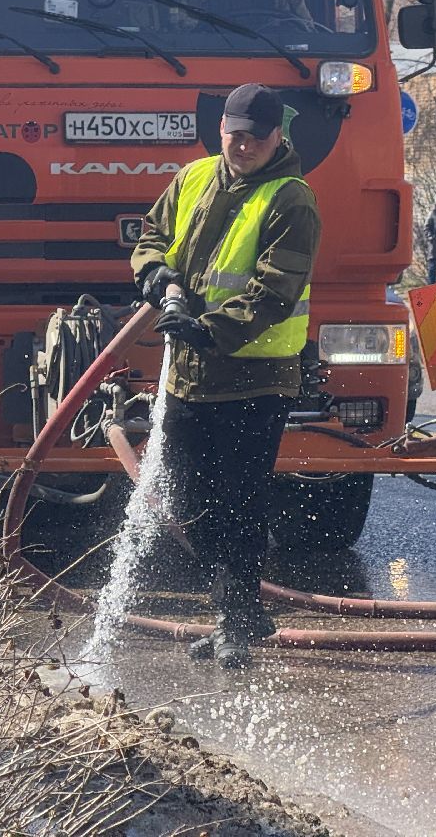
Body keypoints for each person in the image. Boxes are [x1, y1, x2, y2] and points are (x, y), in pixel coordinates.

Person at [131, 83, 321, 670]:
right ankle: (239, 608)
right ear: (221, 131)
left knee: (240, 500)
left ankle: (235, 617)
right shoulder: (192, 178)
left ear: (275, 138)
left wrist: (207, 330)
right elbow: (151, 236)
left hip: (254, 376)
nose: (242, 146)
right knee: (190, 502)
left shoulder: (293, 200)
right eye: (234, 135)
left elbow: (272, 293)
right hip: (188, 376)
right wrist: (159, 278)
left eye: (254, 138)